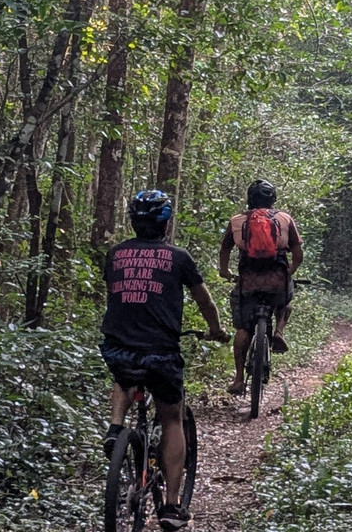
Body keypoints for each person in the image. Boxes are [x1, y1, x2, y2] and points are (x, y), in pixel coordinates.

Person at [100, 189, 229, 531]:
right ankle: (172, 507)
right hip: (161, 352)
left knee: (124, 374)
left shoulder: (115, 254)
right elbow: (204, 301)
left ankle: (116, 427)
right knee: (172, 418)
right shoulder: (178, 257)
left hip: (117, 347)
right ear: (165, 224)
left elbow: (116, 293)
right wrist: (215, 330)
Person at [218, 178, 303, 396]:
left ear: (249, 199)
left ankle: (238, 378)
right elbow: (297, 252)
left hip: (248, 283)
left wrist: (225, 272)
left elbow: (225, 249)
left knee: (243, 328)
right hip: (277, 282)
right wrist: (290, 270)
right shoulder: (284, 218)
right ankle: (278, 331)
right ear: (273, 198)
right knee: (286, 301)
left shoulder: (237, 220)